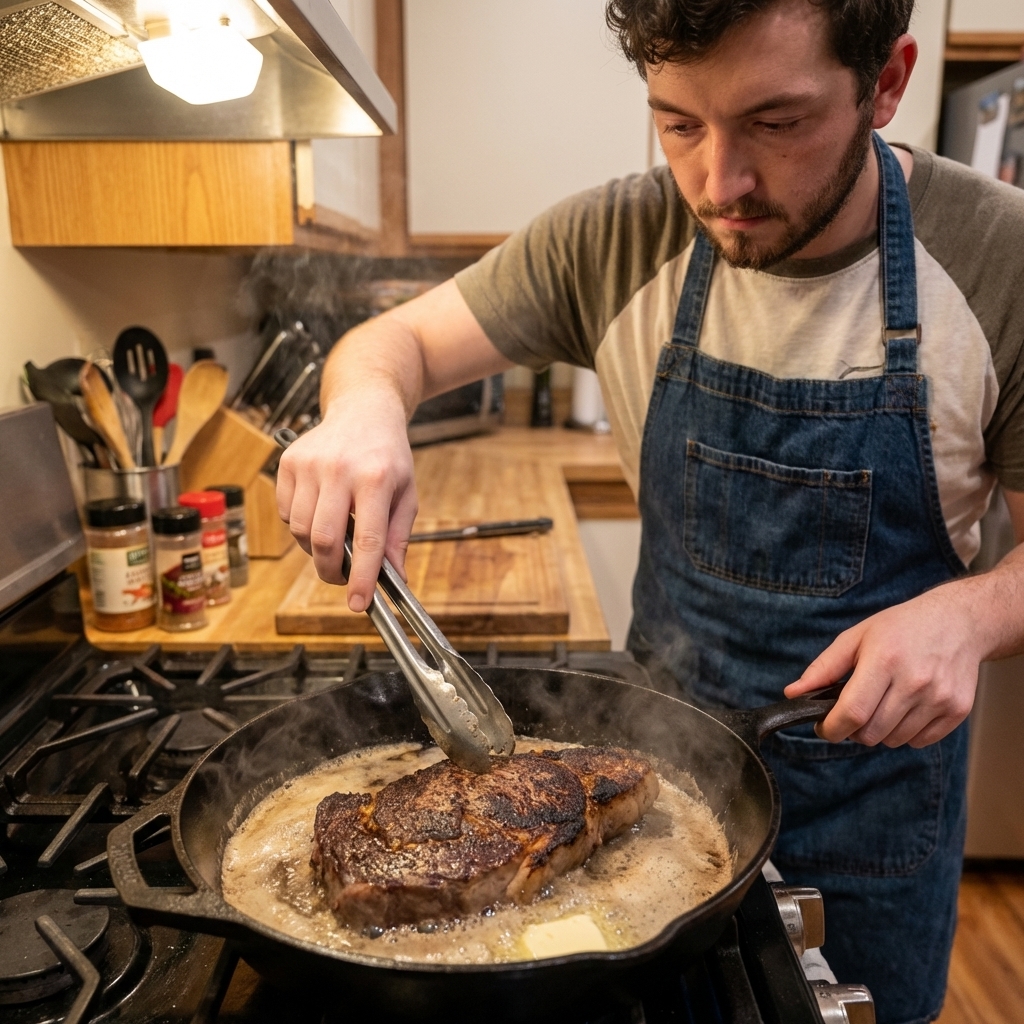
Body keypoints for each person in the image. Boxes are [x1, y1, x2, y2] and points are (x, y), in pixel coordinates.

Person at [277, 1, 1024, 1020]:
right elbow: (389, 345)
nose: (719, 184)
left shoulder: (995, 260)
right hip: (643, 787)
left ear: (885, 82)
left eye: (777, 122)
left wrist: (971, 614)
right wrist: (365, 411)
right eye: (678, 122)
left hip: (874, 817)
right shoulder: (615, 237)